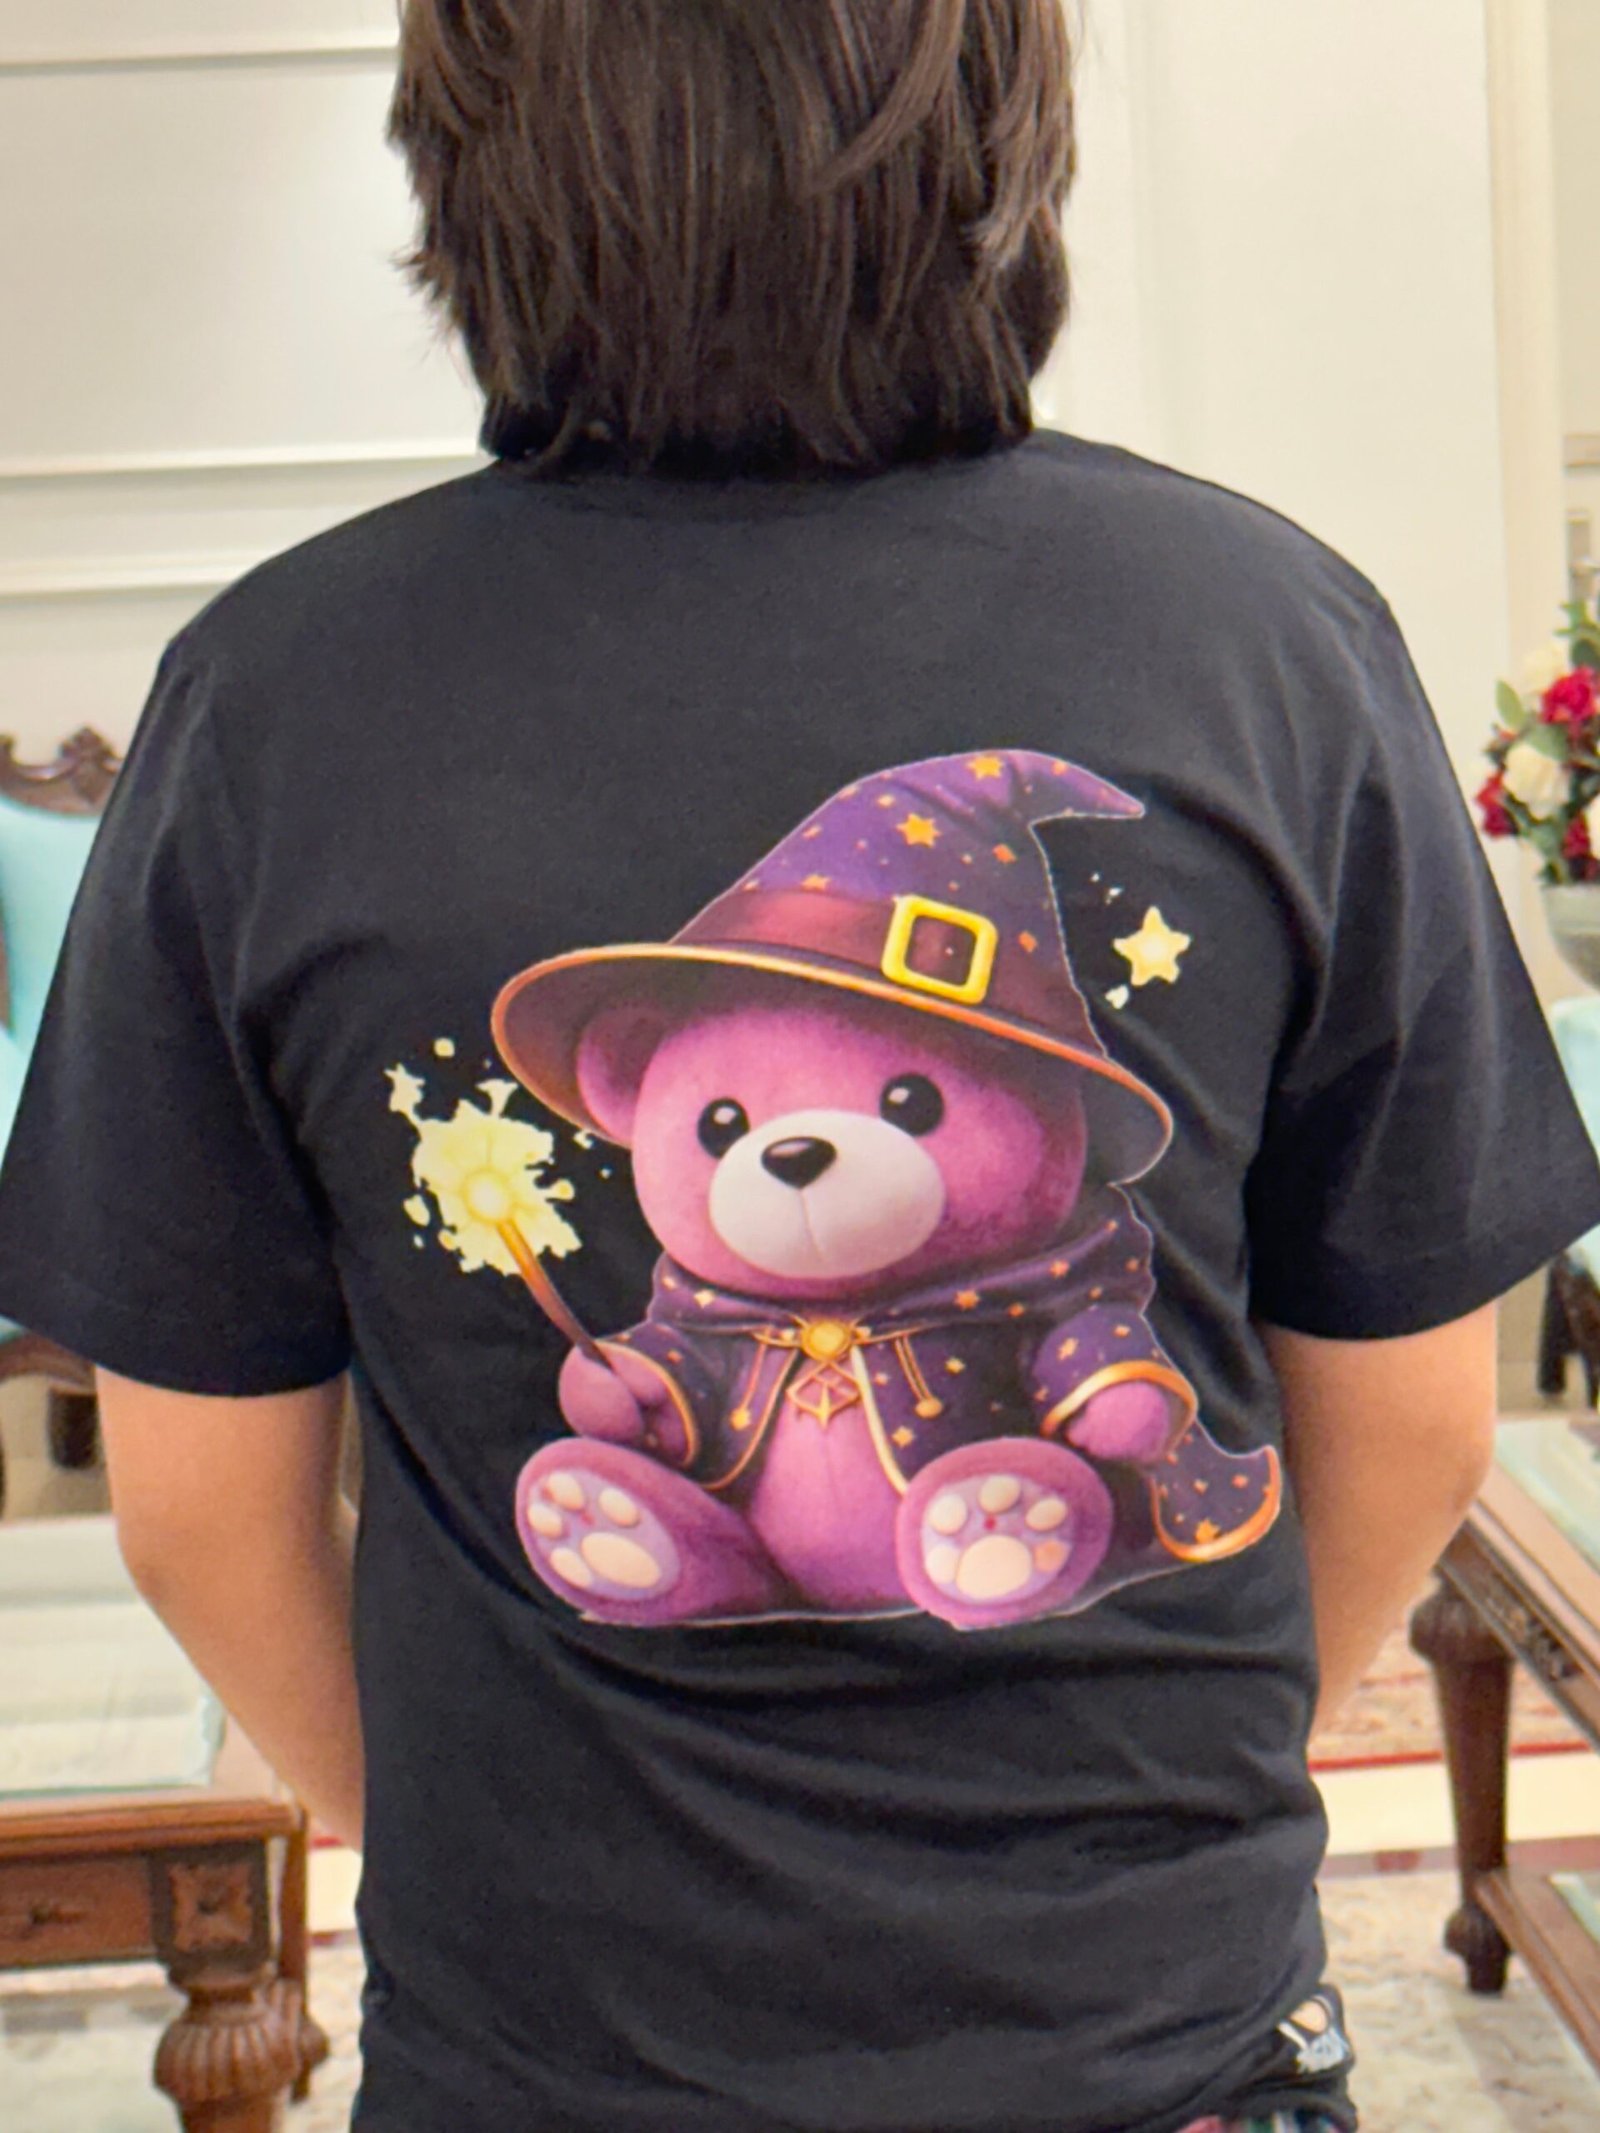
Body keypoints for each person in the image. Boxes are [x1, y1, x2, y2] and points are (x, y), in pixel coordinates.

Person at [0, 5, 1594, 2130]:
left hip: (549, 2065)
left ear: (466, 155)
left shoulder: (271, 703)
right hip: (1152, 2042)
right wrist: (1173, 1806)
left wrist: (455, 1834)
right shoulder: (1270, 642)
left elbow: (195, 1510)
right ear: (1001, 127)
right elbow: (1412, 1418)